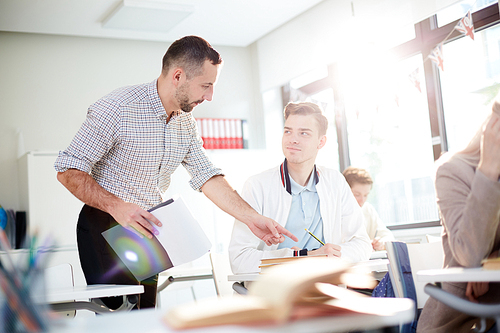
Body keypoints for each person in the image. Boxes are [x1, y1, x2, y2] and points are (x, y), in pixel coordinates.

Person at [54, 35, 296, 309]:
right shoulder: (118, 108)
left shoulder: (185, 123)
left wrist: (252, 218)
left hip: (144, 229)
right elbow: (68, 169)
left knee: (145, 314)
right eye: (206, 86)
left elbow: (208, 176)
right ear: (178, 76)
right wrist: (117, 207)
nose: (209, 96)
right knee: (119, 317)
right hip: (105, 225)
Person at [229, 102, 371, 274]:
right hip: (277, 288)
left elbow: (362, 244)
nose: (292, 139)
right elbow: (239, 259)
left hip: (325, 282)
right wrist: (303, 257)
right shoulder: (257, 186)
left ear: (321, 142)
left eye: (304, 133)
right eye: (288, 131)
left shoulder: (335, 181)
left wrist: (331, 255)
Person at [417, 95, 500, 332]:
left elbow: (482, 259)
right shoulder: (453, 170)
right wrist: (488, 171)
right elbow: (470, 255)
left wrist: (493, 260)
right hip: (463, 317)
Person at [342, 167, 395, 251]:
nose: (362, 200)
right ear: (344, 191)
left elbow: (387, 236)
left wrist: (381, 242)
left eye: (366, 195)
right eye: (357, 195)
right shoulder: (335, 212)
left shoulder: (368, 209)